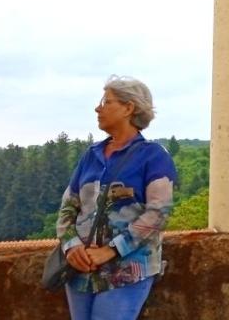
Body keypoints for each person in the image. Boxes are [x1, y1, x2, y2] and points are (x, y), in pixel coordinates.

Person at [56, 75, 178, 319]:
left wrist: (111, 250)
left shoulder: (153, 156)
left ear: (128, 108)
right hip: (81, 272)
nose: (98, 108)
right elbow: (68, 207)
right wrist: (72, 247)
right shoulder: (91, 155)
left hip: (128, 271)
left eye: (106, 101)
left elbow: (158, 213)